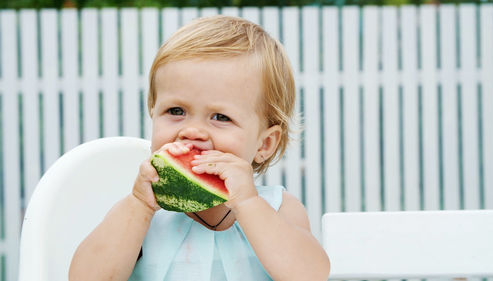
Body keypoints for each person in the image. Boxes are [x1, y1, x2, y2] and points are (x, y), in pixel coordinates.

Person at [69, 15, 330, 281]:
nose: (191, 131)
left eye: (220, 117)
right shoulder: (139, 216)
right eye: (176, 111)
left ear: (264, 144)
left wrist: (249, 204)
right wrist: (139, 206)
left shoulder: (278, 208)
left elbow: (311, 275)